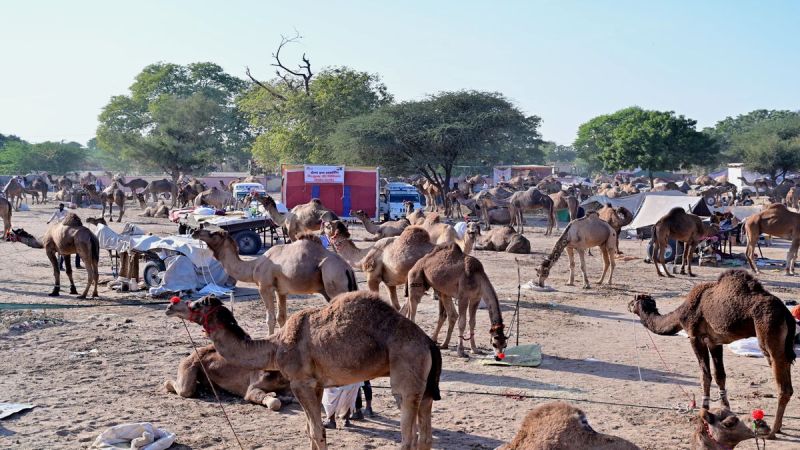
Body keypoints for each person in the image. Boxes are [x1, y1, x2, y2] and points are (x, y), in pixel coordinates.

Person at [49, 203, 82, 270]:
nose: (60, 207)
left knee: (72, 251)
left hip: (63, 224)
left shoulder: (66, 212)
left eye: (61, 206)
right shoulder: (57, 211)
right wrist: (49, 221)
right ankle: (60, 265)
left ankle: (77, 265)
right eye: (60, 206)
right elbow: (53, 216)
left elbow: (67, 217)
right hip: (60, 224)